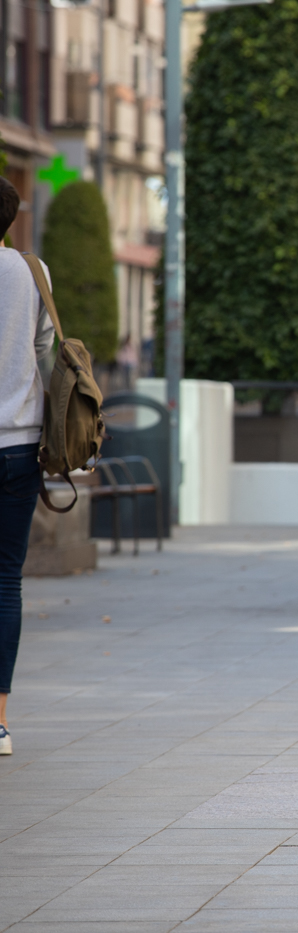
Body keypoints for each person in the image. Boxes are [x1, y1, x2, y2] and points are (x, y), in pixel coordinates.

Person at [0, 177, 54, 756]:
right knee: (4, 582)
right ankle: (0, 723)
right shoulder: (33, 272)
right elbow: (46, 353)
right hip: (19, 447)